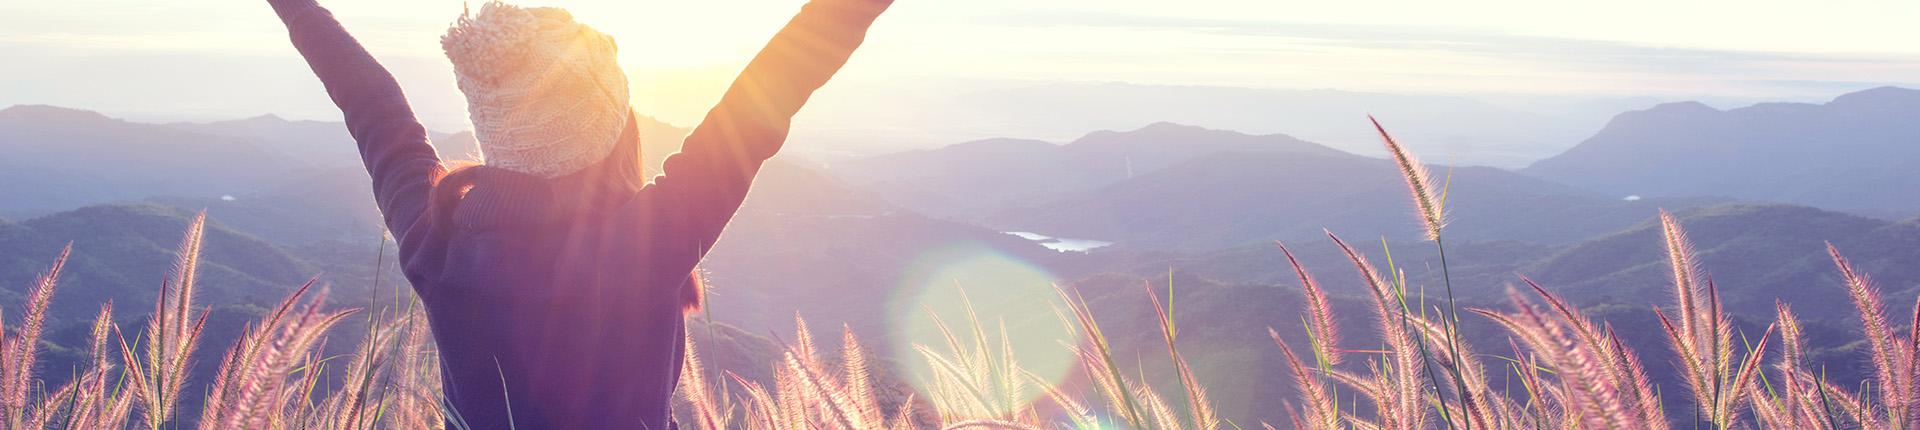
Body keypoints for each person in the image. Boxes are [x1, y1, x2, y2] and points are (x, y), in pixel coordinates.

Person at [264, 0, 891, 427]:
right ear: (614, 129)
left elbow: (371, 104)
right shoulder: (647, 241)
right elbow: (778, 81)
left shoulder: (435, 237)